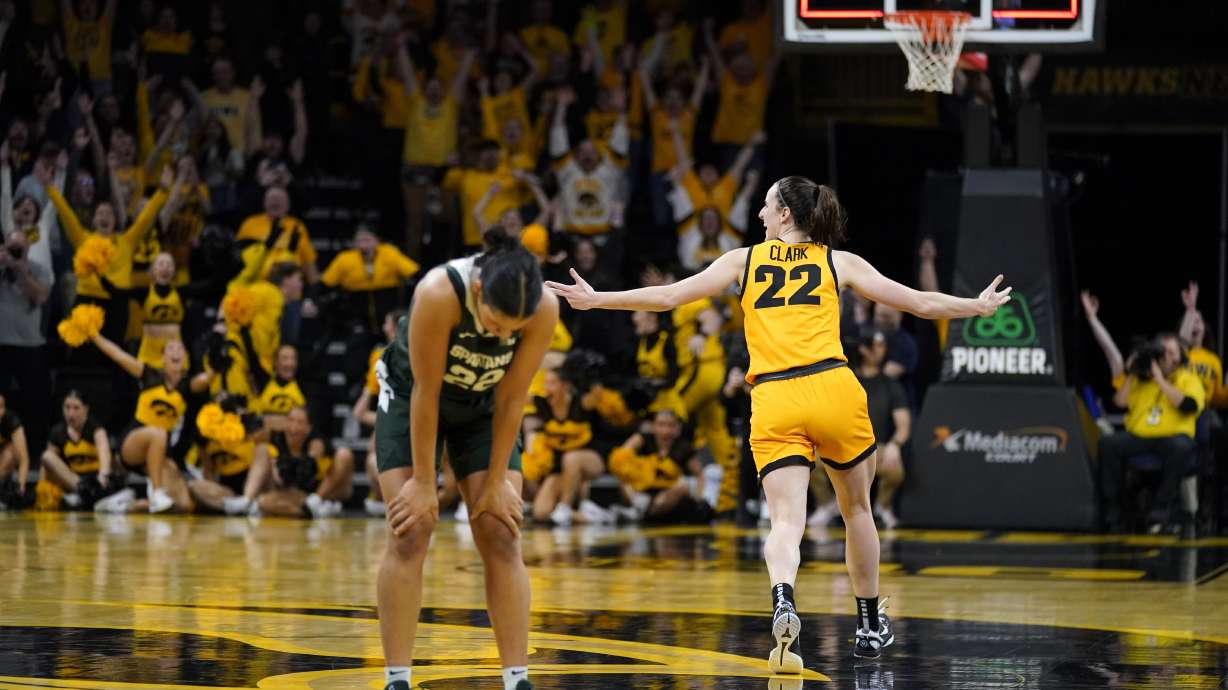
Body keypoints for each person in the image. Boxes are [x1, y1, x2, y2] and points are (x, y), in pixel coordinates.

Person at [547, 175, 1011, 664]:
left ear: (786, 215)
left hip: (773, 396)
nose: (761, 215)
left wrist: (598, 299)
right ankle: (870, 624)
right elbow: (918, 302)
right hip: (833, 388)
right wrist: (976, 307)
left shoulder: (743, 260)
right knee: (857, 511)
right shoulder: (838, 261)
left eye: (767, 206)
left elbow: (668, 298)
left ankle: (784, 596)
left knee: (786, 520)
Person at [373, 229, 558, 690]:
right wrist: (422, 480)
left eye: (512, 331)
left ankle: (517, 680)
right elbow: (425, 392)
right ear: (478, 292)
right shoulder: (439, 292)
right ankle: (398, 678)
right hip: (413, 398)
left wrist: (496, 482)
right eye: (496, 325)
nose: (503, 335)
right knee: (411, 528)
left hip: (485, 407)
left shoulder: (544, 307)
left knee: (500, 529)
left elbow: (513, 398)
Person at [88, 334, 215, 513]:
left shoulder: (186, 386)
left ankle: (121, 505)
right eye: (170, 348)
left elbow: (205, 380)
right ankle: (156, 492)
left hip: (161, 453)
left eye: (180, 349)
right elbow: (117, 354)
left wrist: (216, 367)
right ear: (163, 358)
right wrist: (94, 335)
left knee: (183, 505)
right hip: (134, 443)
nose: (176, 352)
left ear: (185, 357)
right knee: (158, 433)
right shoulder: (149, 374)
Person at [1100, 333, 1204, 533]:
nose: (1166, 356)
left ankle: (1161, 509)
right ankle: (1112, 511)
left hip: (1173, 437)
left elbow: (1188, 406)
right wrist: (1132, 372)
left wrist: (1161, 381)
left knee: (1181, 447)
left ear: (1179, 357)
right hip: (1140, 436)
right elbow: (1119, 402)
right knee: (1108, 444)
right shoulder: (1141, 379)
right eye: (1162, 352)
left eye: (1171, 352)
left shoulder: (1188, 379)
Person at [808, 329, 910, 530]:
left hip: (875, 447)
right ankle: (827, 506)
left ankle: (883, 507)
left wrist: (895, 445)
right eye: (877, 345)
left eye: (883, 345)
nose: (882, 350)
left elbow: (903, 425)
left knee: (895, 468)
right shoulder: (846, 380)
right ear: (864, 349)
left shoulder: (890, 385)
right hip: (841, 443)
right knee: (807, 460)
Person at [260, 407, 355, 519]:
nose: (294, 427)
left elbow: (309, 465)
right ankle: (314, 512)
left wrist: (309, 460)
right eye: (291, 420)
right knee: (264, 502)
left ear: (308, 428)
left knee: (344, 454)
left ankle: (317, 501)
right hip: (299, 495)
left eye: (300, 422)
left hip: (326, 490)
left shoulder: (317, 442)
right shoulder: (277, 440)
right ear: (284, 422)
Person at [39, 390, 115, 509]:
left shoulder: (96, 429)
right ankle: (79, 495)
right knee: (47, 456)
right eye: (67, 407)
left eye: (76, 408)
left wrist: (104, 475)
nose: (71, 413)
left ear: (85, 409)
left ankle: (86, 497)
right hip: (73, 482)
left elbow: (104, 452)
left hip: (96, 482)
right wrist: (42, 488)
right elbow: (47, 466)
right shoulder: (58, 432)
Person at [0, 393, 31, 509]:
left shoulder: (11, 420)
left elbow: (24, 458)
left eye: (1, 407)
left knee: (12, 451)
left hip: (4, 463)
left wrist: (21, 488)